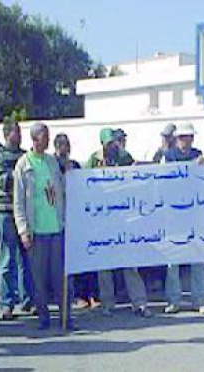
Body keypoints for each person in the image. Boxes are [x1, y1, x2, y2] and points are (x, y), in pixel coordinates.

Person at [86, 128, 152, 318]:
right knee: (104, 265)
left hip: (123, 219)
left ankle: (139, 302)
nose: (112, 146)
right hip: (103, 218)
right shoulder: (93, 160)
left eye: (113, 142)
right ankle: (107, 303)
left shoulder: (124, 157)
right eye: (108, 143)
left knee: (130, 263)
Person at [13, 122, 73, 330]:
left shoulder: (51, 162)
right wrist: (23, 230)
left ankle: (66, 316)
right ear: (35, 139)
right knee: (39, 278)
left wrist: (69, 174)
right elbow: (18, 202)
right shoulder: (24, 165)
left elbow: (62, 189)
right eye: (45, 137)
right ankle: (43, 318)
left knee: (60, 276)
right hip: (36, 230)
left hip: (56, 227)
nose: (48, 141)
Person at [161, 122, 204, 314]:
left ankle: (198, 299)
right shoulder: (167, 157)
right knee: (173, 261)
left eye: (189, 137)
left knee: (198, 259)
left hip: (194, 214)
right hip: (174, 215)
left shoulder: (198, 156)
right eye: (182, 137)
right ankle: (174, 300)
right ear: (176, 139)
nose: (186, 141)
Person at [0, 121, 34, 320]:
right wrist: (18, 177)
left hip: (24, 213)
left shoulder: (26, 156)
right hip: (7, 212)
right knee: (8, 258)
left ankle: (29, 300)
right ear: (8, 134)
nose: (20, 136)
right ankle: (7, 303)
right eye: (17, 132)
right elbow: (1, 180)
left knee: (27, 257)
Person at [54, 133, 100, 309]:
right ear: (56, 147)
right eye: (62, 145)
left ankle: (90, 294)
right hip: (59, 217)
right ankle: (75, 296)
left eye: (67, 144)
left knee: (84, 256)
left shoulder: (75, 166)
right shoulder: (51, 166)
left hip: (77, 217)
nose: (65, 148)